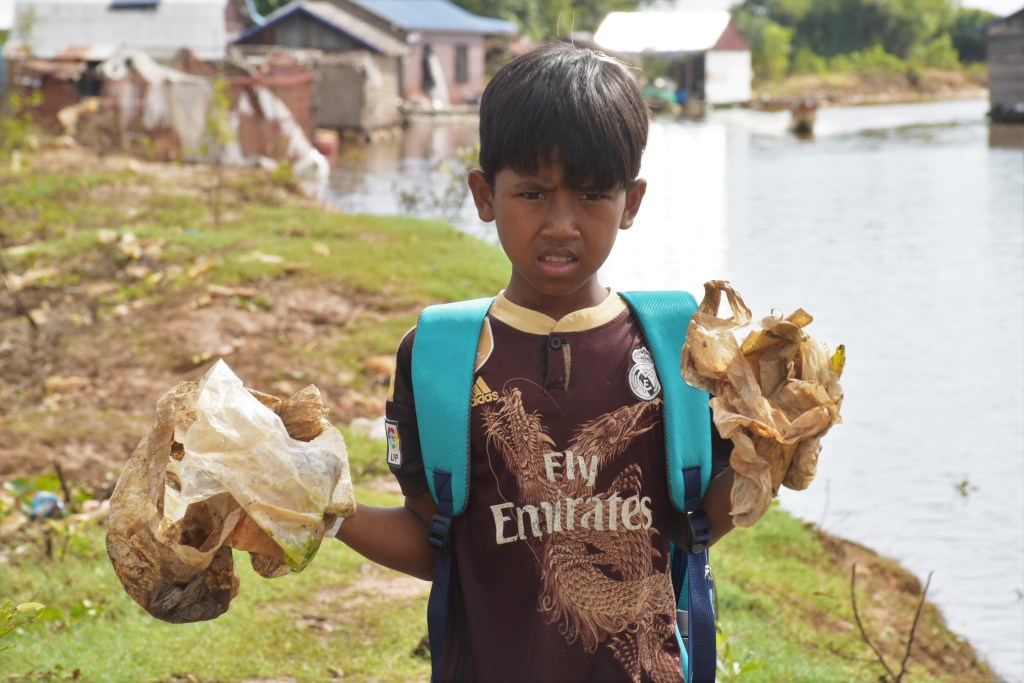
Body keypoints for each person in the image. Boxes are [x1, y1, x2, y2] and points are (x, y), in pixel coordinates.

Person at [335, 42, 736, 682]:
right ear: (484, 194)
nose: (561, 224)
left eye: (592, 194)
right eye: (532, 192)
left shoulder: (680, 349)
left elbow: (701, 520)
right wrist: (325, 510)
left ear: (631, 202)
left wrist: (772, 456)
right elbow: (437, 544)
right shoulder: (438, 358)